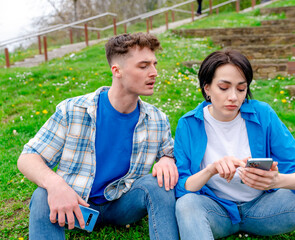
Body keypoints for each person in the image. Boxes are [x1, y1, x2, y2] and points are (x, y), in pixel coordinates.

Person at [17, 32, 179, 240]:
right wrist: (56, 185)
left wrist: (167, 159)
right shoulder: (73, 110)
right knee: (42, 194)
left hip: (122, 206)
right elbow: (28, 157)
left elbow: (172, 153)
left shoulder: (157, 118)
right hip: (75, 206)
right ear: (116, 70)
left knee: (160, 185)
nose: (154, 72)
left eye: (154, 64)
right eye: (143, 66)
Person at [174, 50, 295, 239]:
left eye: (241, 89)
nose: (233, 97)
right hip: (217, 211)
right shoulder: (188, 123)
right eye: (224, 87)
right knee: (187, 204)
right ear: (207, 88)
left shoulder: (263, 114)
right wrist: (211, 170)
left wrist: (277, 181)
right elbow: (182, 187)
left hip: (263, 208)